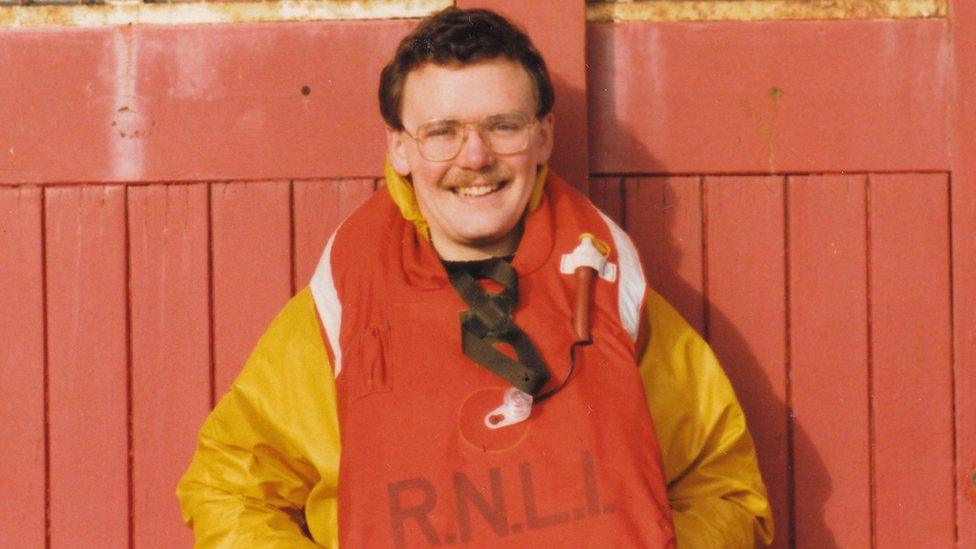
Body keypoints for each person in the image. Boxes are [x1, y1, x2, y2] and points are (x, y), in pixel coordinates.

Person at [177, 7, 773, 547]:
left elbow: (723, 485)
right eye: (442, 132)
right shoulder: (340, 314)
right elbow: (228, 488)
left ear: (543, 136)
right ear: (401, 150)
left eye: (503, 126)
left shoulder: (614, 297)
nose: (475, 157)